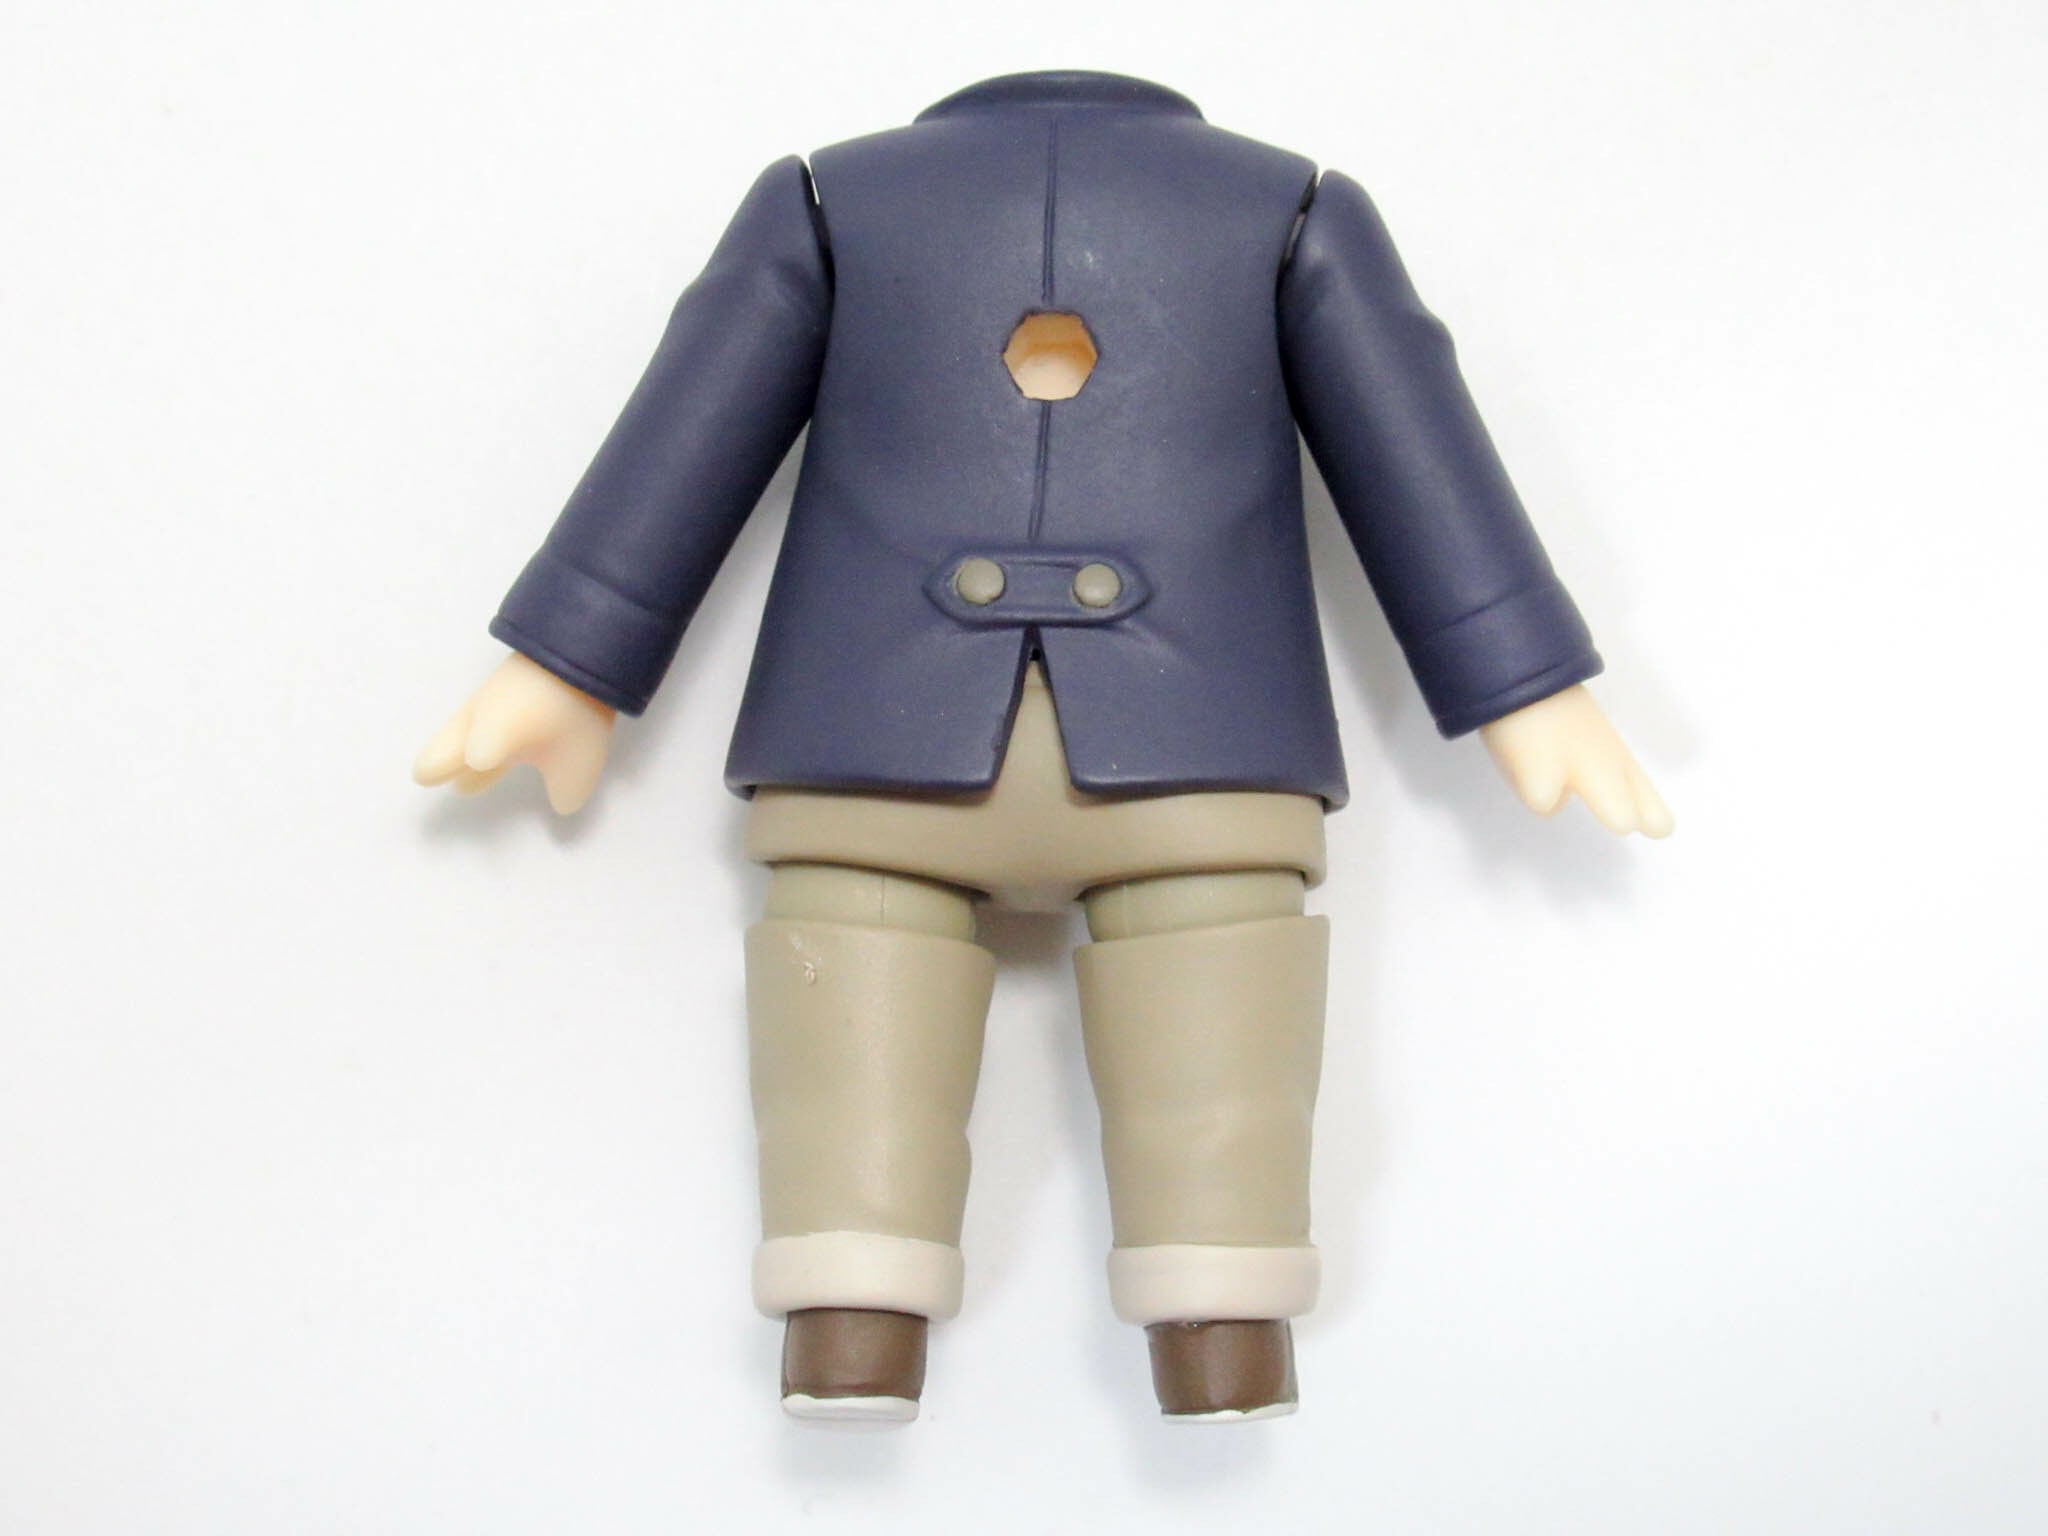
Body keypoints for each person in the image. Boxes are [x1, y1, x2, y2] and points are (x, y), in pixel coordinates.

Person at [415, 70, 1672, 1424]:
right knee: (1210, 1048)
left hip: (875, 739)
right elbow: (1412, 437)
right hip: (1200, 745)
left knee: (861, 1042)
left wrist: (568, 663)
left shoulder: (838, 201)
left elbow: (687, 426)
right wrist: (1524, 685)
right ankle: (1215, 1336)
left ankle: (858, 1326)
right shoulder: (1283, 208)